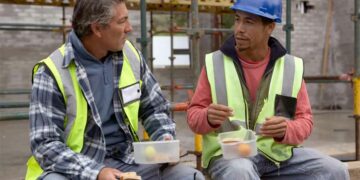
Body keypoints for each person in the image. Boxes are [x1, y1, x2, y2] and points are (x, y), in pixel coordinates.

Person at [26, 0, 205, 180]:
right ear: (97, 29)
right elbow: (45, 144)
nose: (129, 28)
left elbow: (155, 108)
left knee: (190, 176)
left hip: (126, 160)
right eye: (122, 21)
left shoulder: (131, 56)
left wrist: (164, 137)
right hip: (75, 169)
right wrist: (97, 172)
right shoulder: (51, 72)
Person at [187, 0, 350, 179]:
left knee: (335, 170)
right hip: (230, 156)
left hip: (277, 158)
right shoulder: (215, 64)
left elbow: (304, 121)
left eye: (248, 22)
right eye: (237, 19)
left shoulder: (289, 67)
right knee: (240, 172)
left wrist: (286, 129)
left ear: (270, 27)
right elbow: (194, 116)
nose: (239, 28)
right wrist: (207, 117)